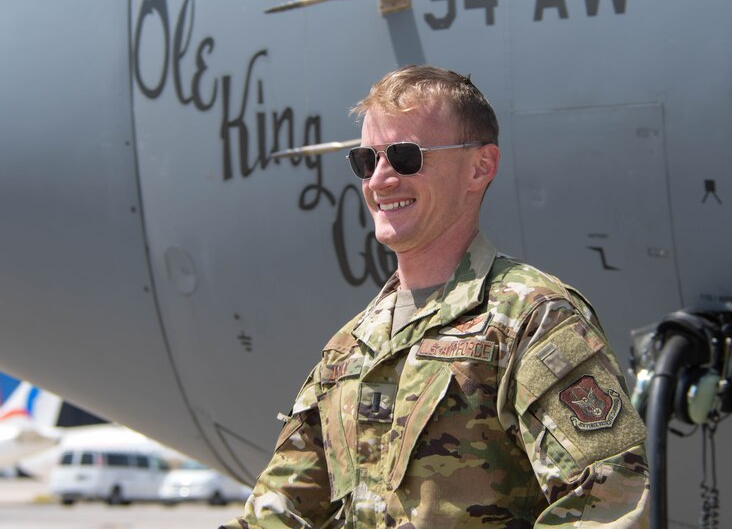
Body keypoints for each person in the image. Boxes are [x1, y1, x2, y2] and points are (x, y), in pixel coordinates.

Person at [222, 65, 649, 528]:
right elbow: (279, 512)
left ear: (480, 167)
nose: (379, 180)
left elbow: (607, 500)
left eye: (405, 157)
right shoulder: (350, 349)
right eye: (366, 161)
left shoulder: (530, 320)